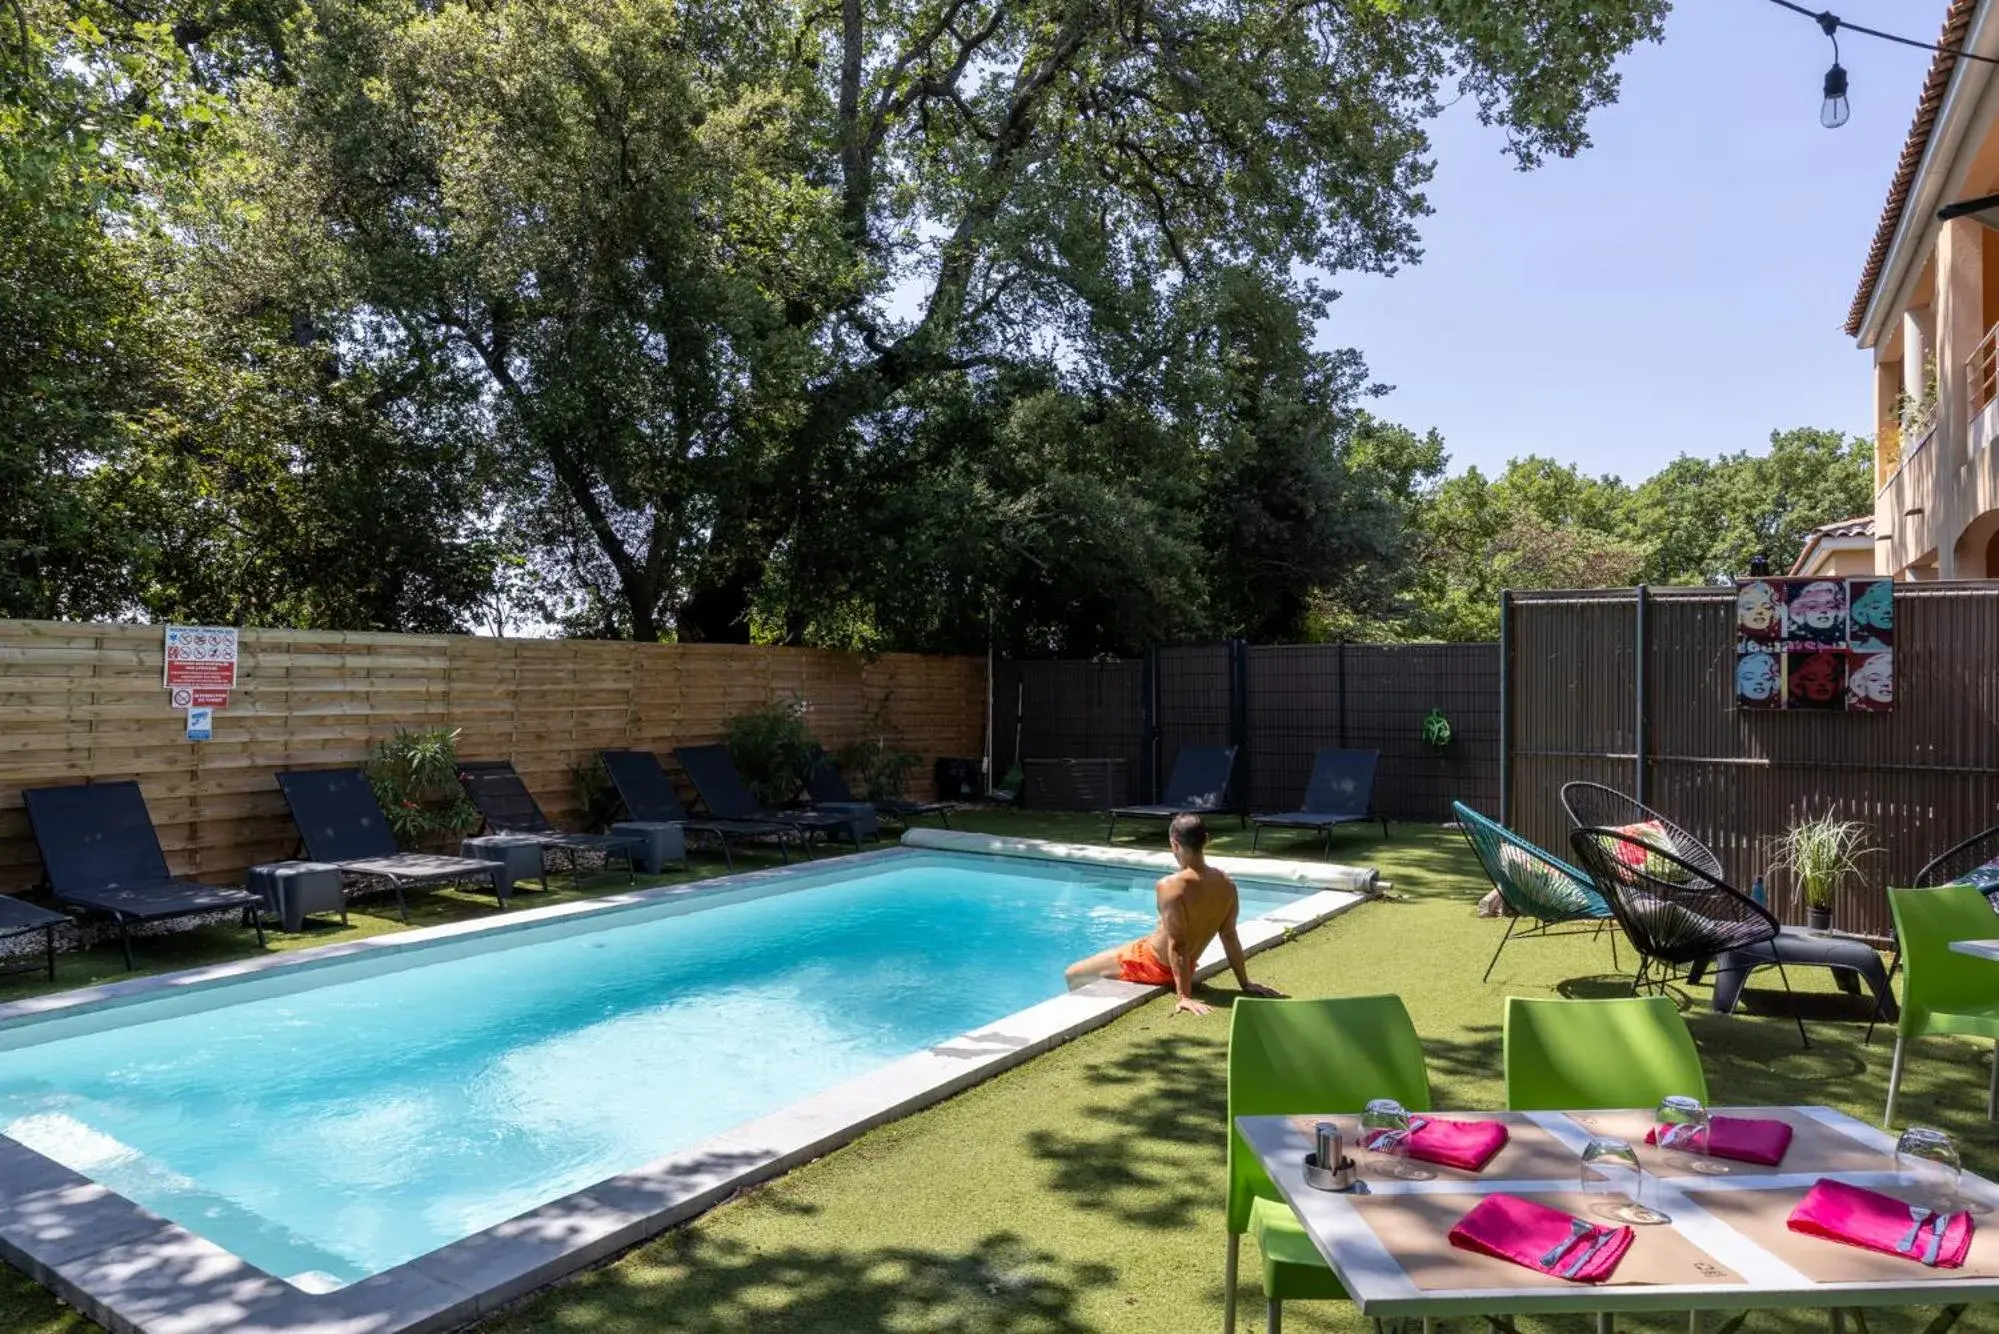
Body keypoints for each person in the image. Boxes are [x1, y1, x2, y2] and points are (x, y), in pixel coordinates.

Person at [1064, 813, 1286, 1015]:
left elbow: (1178, 944)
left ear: (1175, 844)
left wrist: (1184, 997)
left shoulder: (1170, 886)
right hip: (1176, 962)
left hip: (1154, 965)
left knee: (1073, 973)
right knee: (1125, 948)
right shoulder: (1227, 884)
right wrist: (1245, 983)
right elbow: (1229, 936)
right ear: (1206, 840)